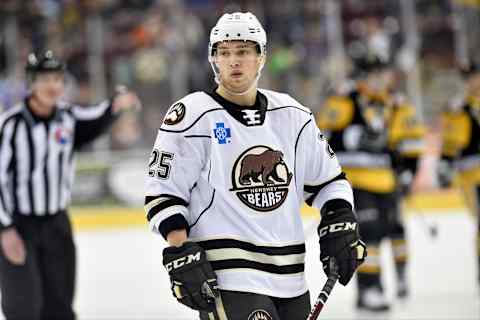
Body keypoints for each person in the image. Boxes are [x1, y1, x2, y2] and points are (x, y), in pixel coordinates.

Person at [144, 12, 366, 320]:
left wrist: (340, 217)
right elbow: (163, 193)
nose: (234, 61)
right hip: (228, 275)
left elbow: (329, 181)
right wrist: (180, 249)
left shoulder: (292, 115)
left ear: (261, 57)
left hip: (291, 279)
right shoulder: (193, 115)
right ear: (214, 60)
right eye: (225, 52)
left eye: (244, 51)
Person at [0, 50, 141, 320]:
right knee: (23, 307)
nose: (52, 85)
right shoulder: (10, 126)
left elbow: (96, 119)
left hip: (57, 225)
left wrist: (117, 103)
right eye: (44, 79)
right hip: (19, 226)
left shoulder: (67, 118)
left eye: (57, 79)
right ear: (31, 84)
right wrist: (5, 229)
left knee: (60, 306)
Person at [316, 52, 424, 312]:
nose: (377, 79)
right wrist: (350, 137)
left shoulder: (395, 103)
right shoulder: (344, 99)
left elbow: (411, 140)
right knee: (370, 232)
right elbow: (321, 137)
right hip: (356, 182)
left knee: (395, 230)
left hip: (387, 182)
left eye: (381, 73)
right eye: (371, 74)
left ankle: (399, 276)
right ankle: (369, 289)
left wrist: (408, 168)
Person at [439, 62, 480, 287]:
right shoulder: (460, 108)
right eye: (468, 77)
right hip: (473, 175)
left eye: (474, 76)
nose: (472, 81)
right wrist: (445, 163)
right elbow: (452, 141)